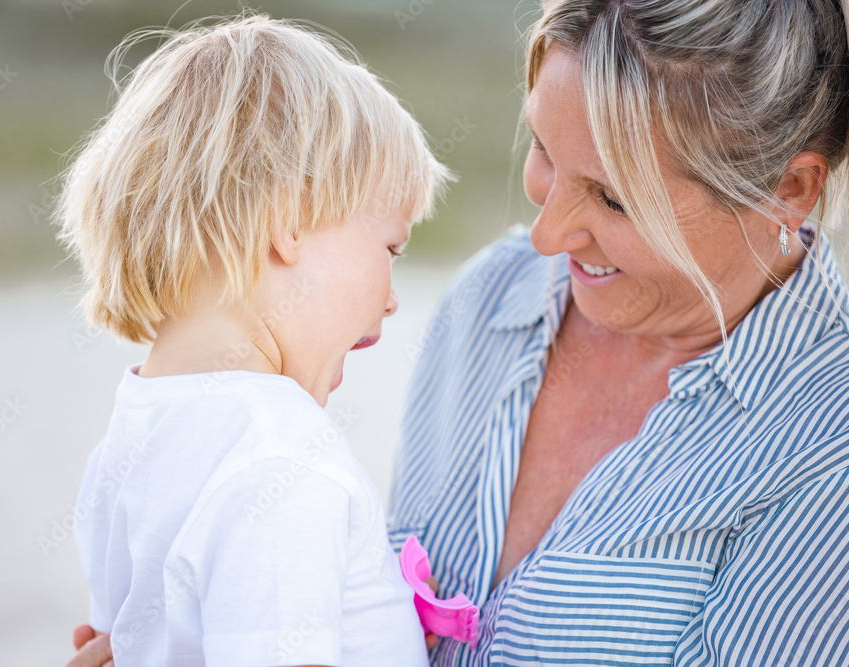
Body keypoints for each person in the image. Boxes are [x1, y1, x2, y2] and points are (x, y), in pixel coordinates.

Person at [69, 0, 849, 665]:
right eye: (544, 150)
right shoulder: (488, 301)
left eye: (613, 199)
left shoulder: (825, 442)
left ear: (789, 188)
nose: (545, 236)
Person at [54, 14, 453, 667]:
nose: (390, 295)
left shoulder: (127, 443)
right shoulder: (281, 457)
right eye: (390, 247)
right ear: (290, 220)